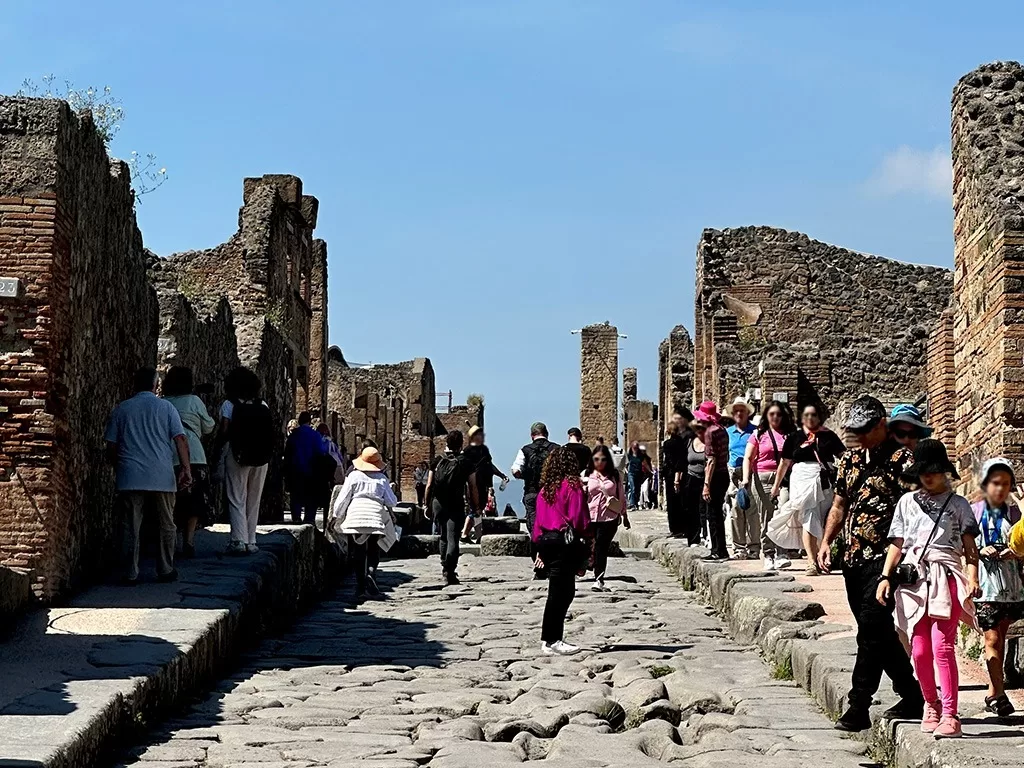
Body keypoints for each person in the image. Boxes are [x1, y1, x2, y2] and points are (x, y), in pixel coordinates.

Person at [817, 395, 923, 733]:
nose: (858, 437)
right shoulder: (849, 459)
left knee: (869, 629)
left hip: (885, 560)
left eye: (864, 431)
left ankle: (858, 705)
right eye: (854, 431)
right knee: (878, 632)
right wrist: (825, 541)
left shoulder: (903, 460)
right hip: (852, 557)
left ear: (881, 425)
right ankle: (912, 694)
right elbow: (839, 504)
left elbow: (916, 510)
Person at [876, 439, 979, 739]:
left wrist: (972, 576)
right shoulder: (906, 504)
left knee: (942, 647)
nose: (928, 477)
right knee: (919, 650)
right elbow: (898, 543)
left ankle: (951, 714)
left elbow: (970, 548)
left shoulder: (959, 505)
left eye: (933, 471)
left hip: (946, 578)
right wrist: (885, 576)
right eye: (923, 472)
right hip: (914, 580)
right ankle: (930, 703)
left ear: (943, 471)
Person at [105, 367, 192, 584]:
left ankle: (130, 571)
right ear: (156, 385)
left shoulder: (122, 409)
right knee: (166, 523)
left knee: (131, 525)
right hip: (162, 475)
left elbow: (111, 446)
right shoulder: (166, 408)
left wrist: (120, 466)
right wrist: (185, 469)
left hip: (131, 475)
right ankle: (165, 568)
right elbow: (180, 439)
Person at [971, 458, 1024, 718]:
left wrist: (1012, 553)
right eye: (995, 483)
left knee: (1000, 637)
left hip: (1011, 585)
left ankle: (993, 690)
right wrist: (981, 550)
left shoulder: (1015, 513)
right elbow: (963, 544)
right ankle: (1001, 697)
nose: (1000, 489)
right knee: (991, 637)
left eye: (1005, 483)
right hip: (986, 586)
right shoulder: (975, 511)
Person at [772, 403, 845, 575]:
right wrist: (776, 486)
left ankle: (822, 558)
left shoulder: (829, 436)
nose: (810, 418)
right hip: (802, 481)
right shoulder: (794, 437)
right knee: (809, 517)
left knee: (824, 518)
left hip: (824, 480)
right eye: (807, 415)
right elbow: (785, 463)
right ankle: (811, 562)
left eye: (814, 415)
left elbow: (843, 456)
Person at [532, 446, 591, 655]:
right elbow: (578, 517)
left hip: (546, 541)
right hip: (563, 542)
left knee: (557, 590)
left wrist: (539, 548)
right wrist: (587, 534)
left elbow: (538, 522)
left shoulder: (545, 489)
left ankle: (549, 639)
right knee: (562, 591)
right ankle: (552, 639)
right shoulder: (572, 485)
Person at [330, 446, 398, 599]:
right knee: (374, 548)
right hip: (374, 516)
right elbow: (392, 501)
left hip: (356, 516)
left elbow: (343, 499)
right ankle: (372, 573)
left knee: (358, 552)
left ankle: (360, 586)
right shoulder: (382, 479)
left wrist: (335, 516)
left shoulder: (353, 476)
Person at [162, 366, 215, 559]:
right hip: (195, 455)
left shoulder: (164, 403)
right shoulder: (194, 401)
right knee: (194, 500)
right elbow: (209, 426)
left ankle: (172, 539)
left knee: (172, 499)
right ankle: (189, 541)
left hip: (169, 454)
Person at [219, 366, 273, 555]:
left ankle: (238, 540)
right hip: (260, 456)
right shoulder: (262, 404)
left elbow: (224, 431)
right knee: (254, 498)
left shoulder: (229, 404)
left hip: (238, 454)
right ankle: (251, 540)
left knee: (236, 496)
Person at [743, 400, 795, 571]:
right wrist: (745, 479)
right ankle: (768, 553)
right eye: (772, 414)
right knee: (767, 517)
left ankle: (782, 552)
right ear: (766, 415)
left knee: (783, 513)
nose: (775, 417)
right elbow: (748, 458)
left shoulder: (789, 434)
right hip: (763, 478)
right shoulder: (758, 435)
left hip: (785, 479)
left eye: (779, 414)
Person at [425, 430, 478, 585]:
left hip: (438, 503)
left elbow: (429, 485)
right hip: (456, 502)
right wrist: (475, 506)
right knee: (453, 536)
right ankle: (450, 570)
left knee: (443, 535)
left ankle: (444, 566)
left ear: (446, 443)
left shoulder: (437, 461)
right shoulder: (466, 462)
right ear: (461, 444)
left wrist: (425, 504)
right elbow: (473, 487)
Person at [511, 422, 557, 559]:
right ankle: (549, 558)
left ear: (532, 436)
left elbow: (515, 470)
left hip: (532, 492)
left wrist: (526, 475)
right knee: (551, 526)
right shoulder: (555, 449)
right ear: (547, 434)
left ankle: (537, 557)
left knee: (534, 526)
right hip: (551, 493)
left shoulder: (525, 450)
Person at [691, 402, 731, 560]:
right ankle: (721, 549)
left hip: (715, 476)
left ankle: (716, 550)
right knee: (717, 514)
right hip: (724, 473)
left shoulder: (709, 433)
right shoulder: (722, 430)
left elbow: (711, 460)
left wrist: (706, 484)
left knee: (712, 514)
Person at [586, 445, 628, 591]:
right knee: (589, 546)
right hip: (590, 516)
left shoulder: (615, 475)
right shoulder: (587, 474)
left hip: (609, 518)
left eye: (603, 459)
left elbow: (621, 496)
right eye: (596, 459)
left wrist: (624, 515)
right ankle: (588, 566)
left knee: (601, 547)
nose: (600, 462)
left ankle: (599, 579)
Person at [461, 426, 509, 543]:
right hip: (473, 485)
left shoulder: (484, 450)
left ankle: (471, 535)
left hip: (483, 484)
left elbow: (490, 466)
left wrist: (501, 475)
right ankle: (471, 535)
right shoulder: (467, 452)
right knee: (475, 510)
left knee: (478, 510)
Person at [283, 411, 328, 525]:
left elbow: (287, 455)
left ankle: (296, 518)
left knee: (296, 496)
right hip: (312, 472)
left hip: (296, 471)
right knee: (311, 498)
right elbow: (321, 452)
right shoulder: (315, 435)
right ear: (309, 421)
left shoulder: (293, 436)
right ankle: (309, 520)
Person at [726, 398, 757, 559]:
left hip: (751, 472)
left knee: (752, 510)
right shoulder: (728, 432)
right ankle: (739, 548)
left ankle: (754, 547)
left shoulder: (755, 431)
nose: (739, 413)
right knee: (736, 509)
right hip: (733, 474)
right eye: (736, 411)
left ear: (747, 413)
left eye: (742, 410)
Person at [662, 422, 687, 537]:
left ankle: (675, 529)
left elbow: (670, 461)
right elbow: (681, 460)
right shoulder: (683, 443)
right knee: (681, 502)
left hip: (671, 475)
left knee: (672, 503)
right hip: (682, 474)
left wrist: (674, 477)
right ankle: (683, 527)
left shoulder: (667, 444)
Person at [626, 442, 644, 511]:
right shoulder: (629, 455)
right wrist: (627, 471)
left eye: (636, 447)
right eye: (634, 447)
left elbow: (644, 463)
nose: (635, 449)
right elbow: (626, 464)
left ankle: (636, 503)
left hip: (638, 474)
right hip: (631, 473)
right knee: (632, 488)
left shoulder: (640, 456)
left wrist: (650, 471)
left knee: (637, 489)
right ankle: (632, 504)